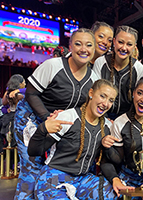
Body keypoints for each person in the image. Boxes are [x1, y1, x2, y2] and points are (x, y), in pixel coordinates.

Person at [14, 28, 99, 200]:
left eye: (89, 45)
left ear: (95, 48)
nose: (84, 49)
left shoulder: (94, 79)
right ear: (70, 46)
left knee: (48, 169)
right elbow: (31, 94)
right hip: (30, 118)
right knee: (31, 167)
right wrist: (46, 118)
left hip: (57, 123)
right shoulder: (53, 65)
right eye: (78, 44)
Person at [28, 79, 118, 199]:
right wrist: (42, 129)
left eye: (111, 100)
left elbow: (109, 161)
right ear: (91, 93)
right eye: (102, 96)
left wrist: (115, 178)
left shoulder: (107, 126)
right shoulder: (68, 117)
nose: (106, 103)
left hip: (83, 179)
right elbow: (34, 151)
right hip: (54, 176)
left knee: (109, 194)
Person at [93, 25, 143, 120]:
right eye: (120, 42)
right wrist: (104, 118)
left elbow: (142, 100)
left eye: (129, 44)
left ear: (134, 47)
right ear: (114, 42)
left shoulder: (139, 68)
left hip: (128, 119)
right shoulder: (101, 62)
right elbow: (94, 95)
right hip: (101, 115)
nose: (124, 48)